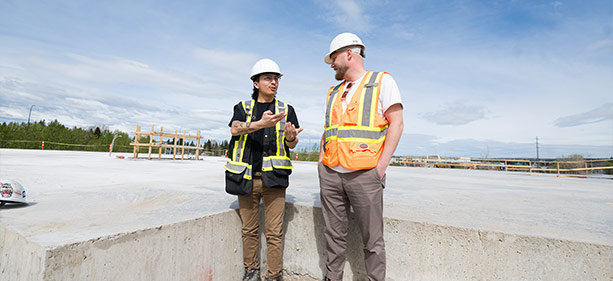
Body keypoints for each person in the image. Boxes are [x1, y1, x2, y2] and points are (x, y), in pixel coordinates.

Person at [318, 33, 404, 281]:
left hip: (365, 175)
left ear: (348, 54)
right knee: (333, 236)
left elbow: (396, 123)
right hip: (331, 173)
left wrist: (379, 168)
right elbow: (329, 129)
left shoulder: (381, 81)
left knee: (372, 240)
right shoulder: (334, 92)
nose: (331, 64)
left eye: (333, 58)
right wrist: (322, 162)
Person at [224, 58, 303, 281]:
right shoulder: (243, 108)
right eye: (268, 78)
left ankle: (274, 275)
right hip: (246, 178)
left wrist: (291, 139)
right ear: (256, 83)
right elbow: (234, 129)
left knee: (274, 233)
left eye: (276, 78)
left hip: (274, 180)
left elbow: (291, 144)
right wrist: (261, 124)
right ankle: (251, 271)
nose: (274, 82)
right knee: (248, 230)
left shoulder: (287, 110)